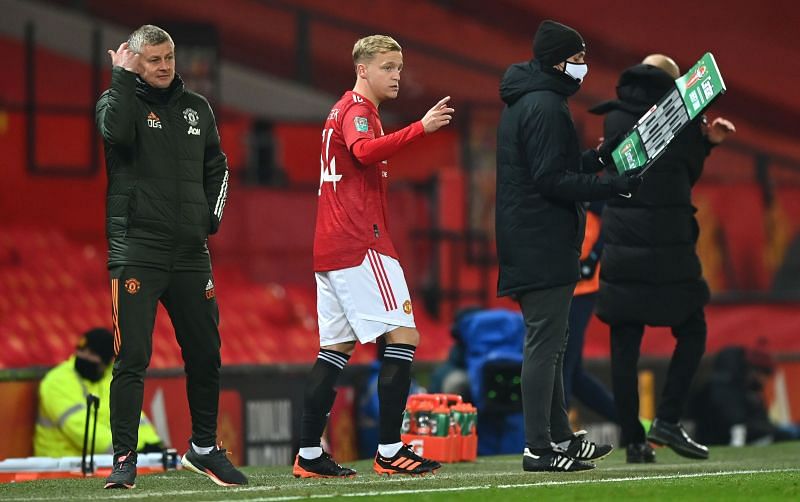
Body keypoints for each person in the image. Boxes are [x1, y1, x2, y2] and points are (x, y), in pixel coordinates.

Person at [293, 34, 453, 479]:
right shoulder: (359, 112)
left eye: (399, 67)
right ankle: (389, 449)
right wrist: (420, 127)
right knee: (403, 336)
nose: (396, 75)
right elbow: (363, 152)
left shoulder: (340, 110)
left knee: (334, 350)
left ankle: (308, 454)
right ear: (362, 69)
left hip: (330, 246)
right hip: (360, 243)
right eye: (387, 67)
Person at [96, 24, 246, 489]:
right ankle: (124, 457)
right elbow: (115, 136)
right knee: (132, 357)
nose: (164, 67)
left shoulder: (197, 108)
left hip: (190, 252)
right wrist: (120, 79)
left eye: (169, 58)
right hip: (137, 250)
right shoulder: (115, 101)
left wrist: (209, 219)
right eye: (154, 59)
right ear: (134, 61)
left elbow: (217, 167)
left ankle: (203, 448)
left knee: (206, 353)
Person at [495, 19, 640, 473]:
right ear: (557, 62)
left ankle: (558, 437)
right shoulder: (546, 105)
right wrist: (611, 186)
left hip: (532, 238)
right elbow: (551, 179)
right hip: (541, 241)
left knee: (552, 346)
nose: (582, 67)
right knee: (544, 345)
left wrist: (597, 160)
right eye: (576, 59)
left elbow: (551, 167)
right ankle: (538, 447)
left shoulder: (529, 101)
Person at [589, 53, 736, 463]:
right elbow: (684, 175)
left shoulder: (615, 118)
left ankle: (633, 441)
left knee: (624, 342)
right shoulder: (683, 120)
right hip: (670, 249)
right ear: (677, 84)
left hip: (622, 245)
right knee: (692, 328)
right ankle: (668, 419)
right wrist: (707, 143)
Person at [34, 328, 162, 457]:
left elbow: (133, 418)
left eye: (91, 354)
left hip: (101, 460)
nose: (84, 356)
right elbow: (81, 429)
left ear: (107, 362)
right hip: (60, 462)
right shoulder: (58, 380)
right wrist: (132, 449)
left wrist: (152, 443)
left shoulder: (110, 378)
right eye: (81, 351)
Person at [563, 201, 618, 423]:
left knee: (562, 363)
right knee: (572, 372)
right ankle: (631, 422)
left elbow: (610, 211)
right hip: (562, 280)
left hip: (580, 284)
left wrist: (594, 257)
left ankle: (556, 434)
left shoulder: (589, 175)